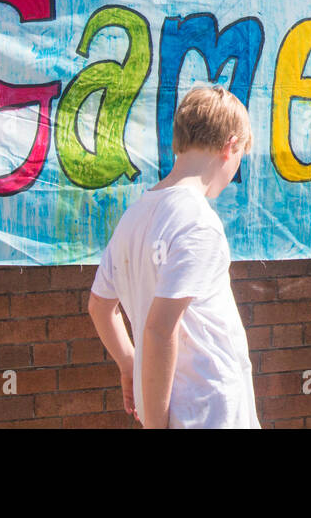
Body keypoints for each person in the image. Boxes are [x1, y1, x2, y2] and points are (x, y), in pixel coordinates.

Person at [88, 84, 261, 428]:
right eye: (240, 156)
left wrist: (128, 363)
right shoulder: (200, 223)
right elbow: (159, 328)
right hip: (210, 414)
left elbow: (100, 306)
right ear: (230, 147)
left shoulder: (133, 217)